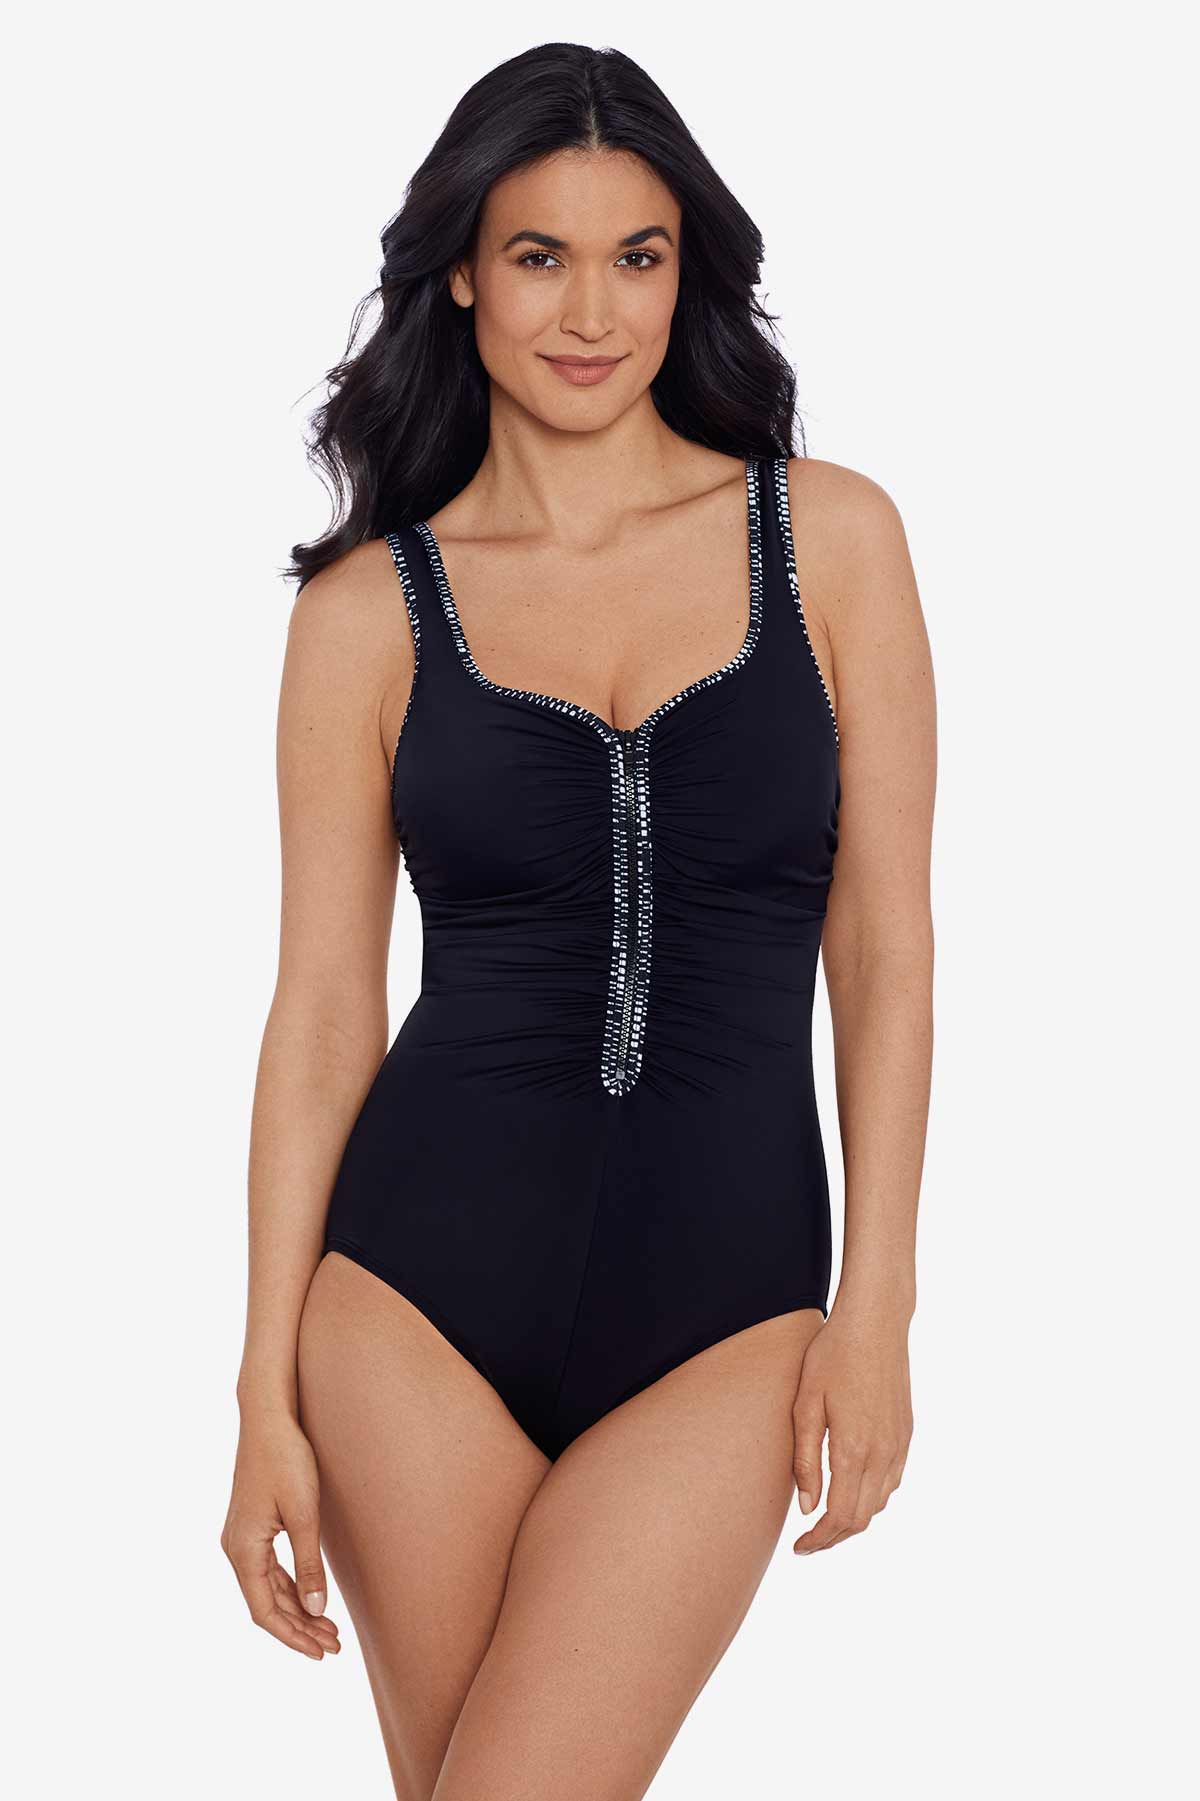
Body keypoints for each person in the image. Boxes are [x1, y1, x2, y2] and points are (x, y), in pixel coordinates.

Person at [221, 40, 936, 1800]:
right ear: (465, 268)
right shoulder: (366, 610)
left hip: (731, 1312)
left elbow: (885, 951)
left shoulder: (831, 543)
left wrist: (881, 1307)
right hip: (408, 1300)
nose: (592, 312)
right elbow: (323, 1011)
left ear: (690, 273)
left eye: (639, 256)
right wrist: (260, 1394)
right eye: (541, 255)